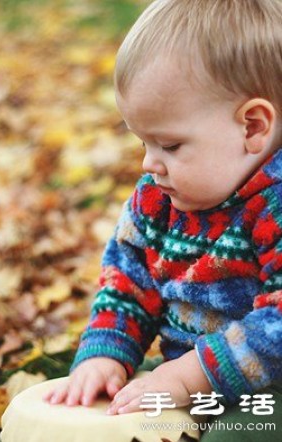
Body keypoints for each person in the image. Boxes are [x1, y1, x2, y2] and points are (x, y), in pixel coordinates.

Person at [43, 0, 282, 439]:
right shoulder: (156, 200)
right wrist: (106, 354)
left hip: (269, 387)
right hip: (185, 375)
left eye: (169, 145)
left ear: (252, 127)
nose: (149, 163)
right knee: (90, 407)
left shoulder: (275, 207)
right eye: (142, 142)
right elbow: (128, 287)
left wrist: (187, 378)